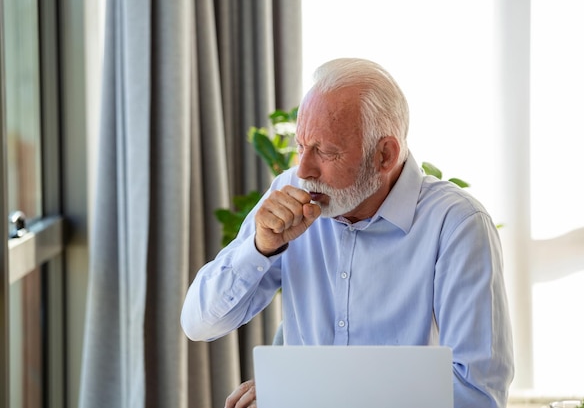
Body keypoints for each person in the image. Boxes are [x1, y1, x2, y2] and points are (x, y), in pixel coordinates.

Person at [181, 58, 514, 408]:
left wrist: (302, 391)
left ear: (385, 155)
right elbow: (199, 324)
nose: (304, 169)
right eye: (300, 146)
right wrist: (260, 248)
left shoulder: (457, 224)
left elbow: (477, 395)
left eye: (325, 151)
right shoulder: (291, 191)